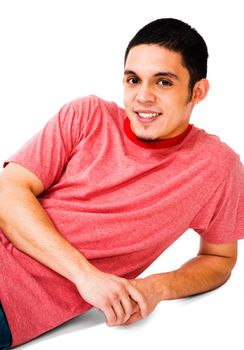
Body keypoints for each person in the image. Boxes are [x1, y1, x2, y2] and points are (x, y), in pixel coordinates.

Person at [0, 17, 243, 349]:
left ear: (197, 91)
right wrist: (86, 277)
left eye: (164, 82)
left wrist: (155, 288)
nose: (142, 97)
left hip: (11, 303)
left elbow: (220, 259)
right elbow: (8, 190)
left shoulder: (217, 167)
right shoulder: (86, 115)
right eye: (133, 79)